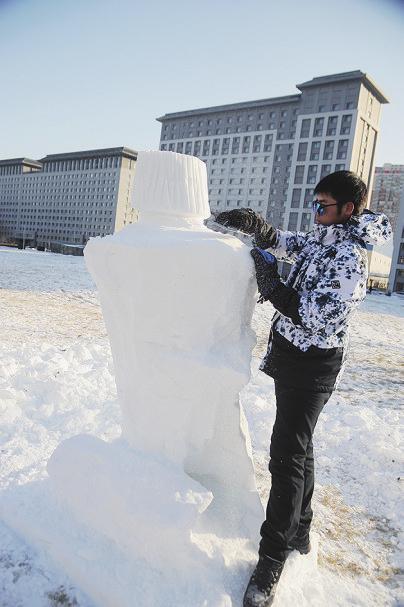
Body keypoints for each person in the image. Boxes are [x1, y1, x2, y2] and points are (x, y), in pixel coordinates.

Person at [215, 171, 392, 607]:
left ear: (349, 209)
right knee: (300, 447)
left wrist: (273, 285)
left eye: (322, 206)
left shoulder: (351, 258)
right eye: (313, 205)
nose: (315, 214)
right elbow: (288, 243)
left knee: (286, 456)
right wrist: (260, 228)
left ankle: (270, 562)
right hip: (295, 354)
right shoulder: (325, 237)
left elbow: (315, 316)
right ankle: (301, 531)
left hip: (313, 366)